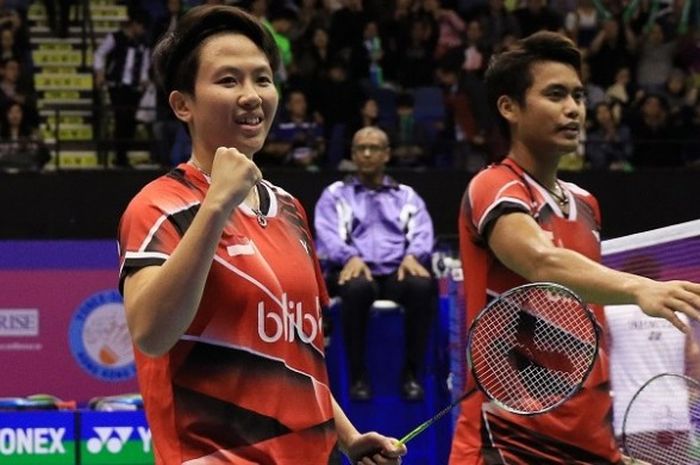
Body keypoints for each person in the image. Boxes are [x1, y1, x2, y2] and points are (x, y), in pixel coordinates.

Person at [116, 5, 405, 465]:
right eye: (229, 81)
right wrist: (216, 206)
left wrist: (349, 438)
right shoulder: (160, 207)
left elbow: (295, 355)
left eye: (263, 79)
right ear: (182, 104)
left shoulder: (290, 209)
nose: (252, 95)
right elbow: (150, 333)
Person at [450, 31, 700, 465]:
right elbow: (538, 259)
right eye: (555, 95)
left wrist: (609, 450)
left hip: (589, 443)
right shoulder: (493, 186)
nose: (574, 109)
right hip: (506, 441)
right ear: (509, 107)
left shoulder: (586, 205)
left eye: (579, 96)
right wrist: (640, 288)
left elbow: (590, 323)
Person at [314, 126, 436, 402]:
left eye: (374, 148)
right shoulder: (335, 194)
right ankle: (358, 375)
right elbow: (327, 233)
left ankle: (412, 375)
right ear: (353, 154)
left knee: (420, 286)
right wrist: (349, 257)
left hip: (396, 271)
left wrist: (413, 256)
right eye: (360, 148)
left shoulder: (407, 195)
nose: (367, 153)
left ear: (386, 154)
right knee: (356, 289)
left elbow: (422, 231)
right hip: (353, 269)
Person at [93, 7, 151, 167]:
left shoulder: (143, 43)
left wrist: (144, 79)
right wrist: (99, 72)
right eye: (141, 26)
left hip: (134, 88)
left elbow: (145, 64)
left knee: (130, 122)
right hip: (117, 86)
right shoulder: (116, 37)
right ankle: (119, 157)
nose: (142, 30)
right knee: (121, 120)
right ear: (134, 24)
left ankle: (123, 155)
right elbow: (99, 53)